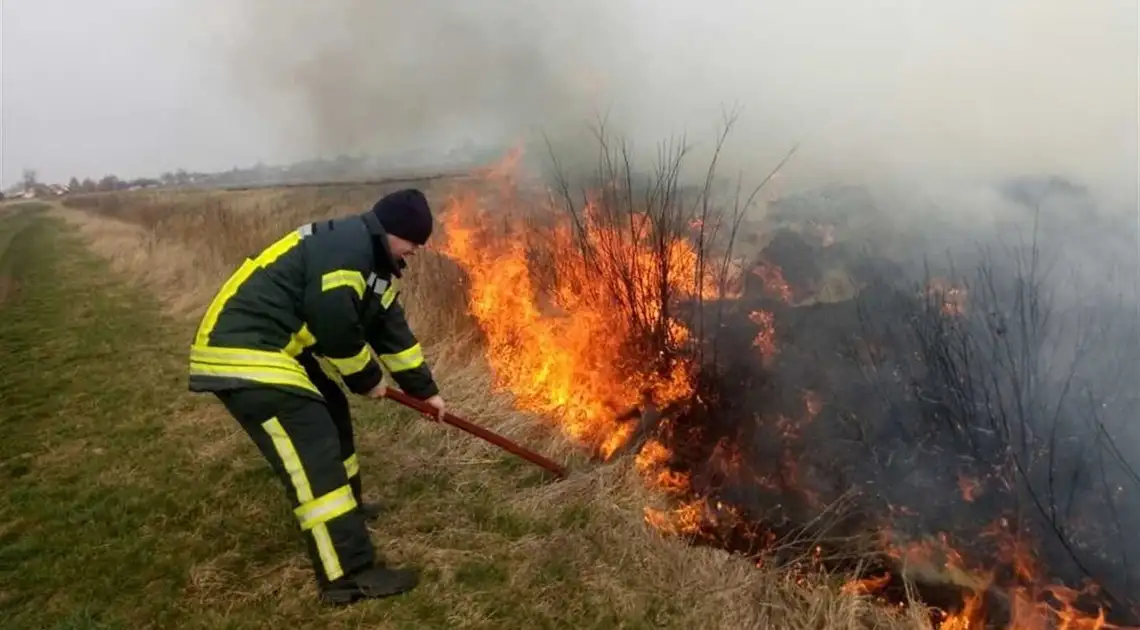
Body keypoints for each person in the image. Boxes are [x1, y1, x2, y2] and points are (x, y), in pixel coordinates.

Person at [187, 188, 446, 605]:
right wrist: (366, 379)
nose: (418, 250)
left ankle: (349, 514)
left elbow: (388, 328)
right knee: (314, 448)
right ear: (391, 231)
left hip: (276, 347)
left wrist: (425, 391)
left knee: (332, 408)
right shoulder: (348, 251)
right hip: (245, 350)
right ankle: (348, 573)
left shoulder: (374, 261)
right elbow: (335, 324)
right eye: (415, 241)